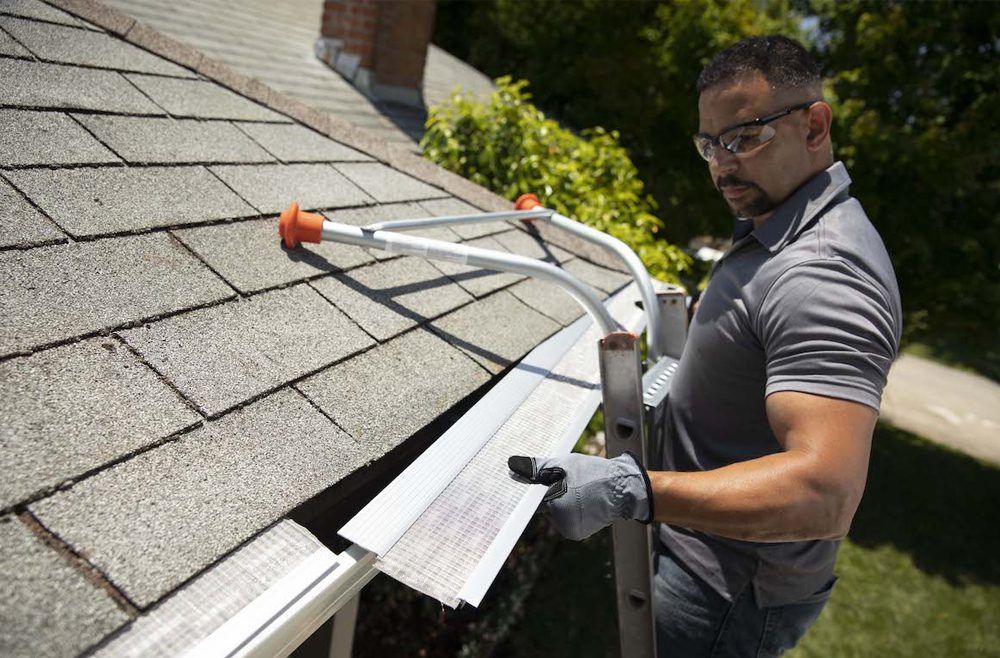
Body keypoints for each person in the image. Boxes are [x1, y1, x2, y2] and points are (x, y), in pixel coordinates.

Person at [509, 35, 901, 657]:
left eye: (745, 137)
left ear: (816, 125)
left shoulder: (823, 275)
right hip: (704, 550)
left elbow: (825, 492)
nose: (722, 163)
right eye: (709, 143)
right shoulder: (778, 227)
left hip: (724, 589)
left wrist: (630, 490)